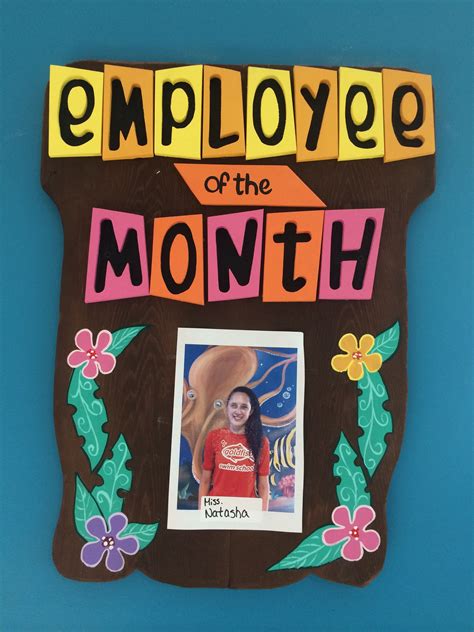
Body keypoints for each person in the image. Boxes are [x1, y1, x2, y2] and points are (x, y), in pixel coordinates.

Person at [198, 386, 270, 510]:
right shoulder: (214, 437)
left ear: (251, 411)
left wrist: (264, 517)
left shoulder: (262, 442)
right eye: (234, 405)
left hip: (247, 511)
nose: (238, 411)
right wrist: (200, 511)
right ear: (227, 408)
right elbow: (205, 480)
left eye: (244, 407)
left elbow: (263, 485)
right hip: (216, 510)